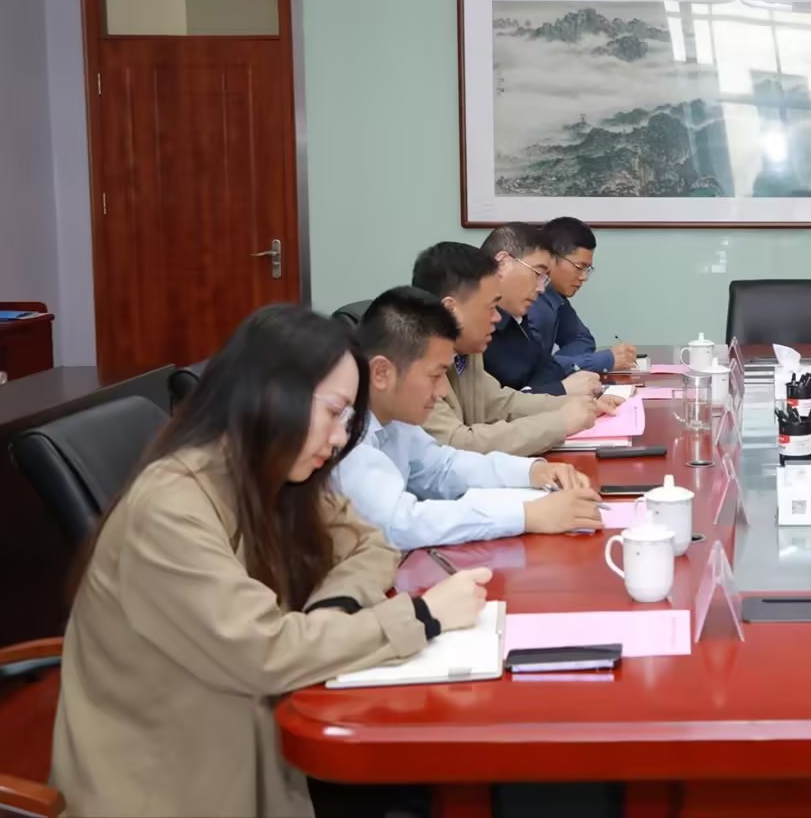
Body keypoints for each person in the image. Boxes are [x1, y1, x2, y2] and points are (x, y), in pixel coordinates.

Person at [50, 305, 492, 817]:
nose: (339, 438)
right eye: (334, 413)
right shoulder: (169, 508)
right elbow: (265, 653)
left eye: (348, 419)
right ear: (271, 396)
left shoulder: (272, 471)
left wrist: (333, 609)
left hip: (254, 739)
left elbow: (369, 544)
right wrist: (423, 615)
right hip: (172, 783)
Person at [333, 286, 605, 549]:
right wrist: (527, 515)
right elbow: (401, 524)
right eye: (435, 375)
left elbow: (443, 467)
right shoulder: (343, 435)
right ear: (382, 373)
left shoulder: (394, 419)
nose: (442, 391)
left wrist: (532, 471)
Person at [412, 241, 612, 456]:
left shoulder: (465, 353)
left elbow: (500, 404)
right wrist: (560, 423)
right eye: (490, 308)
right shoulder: (410, 362)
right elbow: (457, 444)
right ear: (450, 310)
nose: (497, 318)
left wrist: (578, 404)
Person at [480, 221, 602, 397]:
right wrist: (562, 390)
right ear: (503, 263)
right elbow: (492, 406)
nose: (541, 288)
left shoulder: (516, 318)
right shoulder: (473, 326)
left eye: (544, 278)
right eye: (537, 273)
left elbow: (545, 372)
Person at [528, 216, 637, 376]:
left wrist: (560, 364)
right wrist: (604, 360)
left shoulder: (556, 297)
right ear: (550, 258)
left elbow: (582, 339)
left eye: (588, 269)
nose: (584, 277)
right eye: (579, 267)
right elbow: (531, 370)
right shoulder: (529, 302)